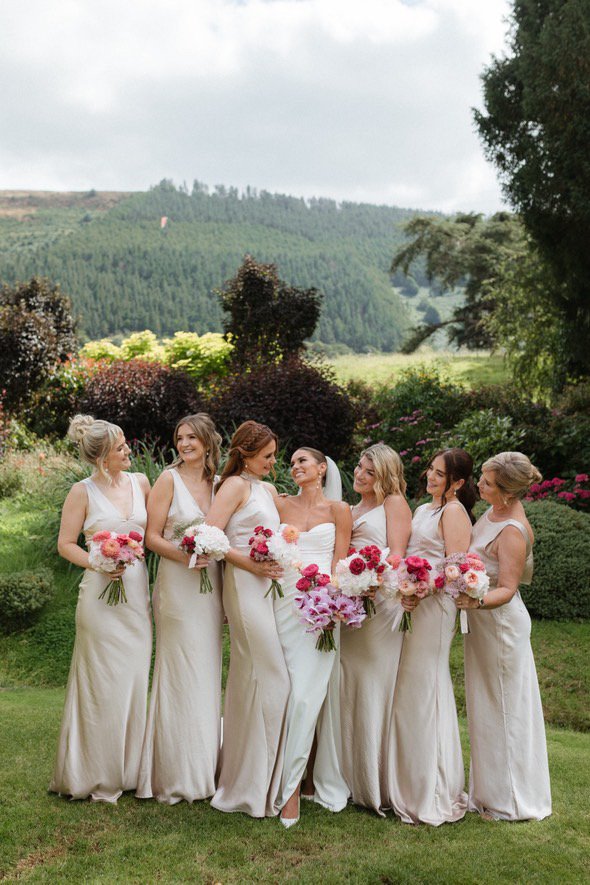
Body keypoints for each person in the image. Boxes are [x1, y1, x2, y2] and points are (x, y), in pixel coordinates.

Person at [49, 415, 152, 802]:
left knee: (132, 679)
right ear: (102, 457)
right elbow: (66, 543)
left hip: (136, 595)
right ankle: (92, 774)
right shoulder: (82, 491)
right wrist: (99, 562)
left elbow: (154, 533)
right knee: (100, 683)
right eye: (121, 447)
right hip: (99, 595)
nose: (128, 451)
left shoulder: (141, 482)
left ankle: (128, 772)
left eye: (126, 444)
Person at [456, 451, 551, 821]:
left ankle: (511, 801)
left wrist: (474, 601)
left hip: (500, 625)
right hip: (482, 623)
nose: (479, 483)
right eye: (482, 476)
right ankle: (487, 791)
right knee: (485, 706)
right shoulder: (492, 513)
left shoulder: (511, 530)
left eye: (487, 481)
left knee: (505, 710)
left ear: (508, 493)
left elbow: (508, 588)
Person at [137, 414, 224, 804]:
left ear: (207, 441)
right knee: (181, 667)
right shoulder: (167, 479)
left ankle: (205, 765)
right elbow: (151, 538)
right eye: (179, 437)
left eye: (192, 437)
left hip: (212, 587)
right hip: (176, 585)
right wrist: (186, 555)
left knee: (206, 667)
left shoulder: (220, 484)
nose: (185, 443)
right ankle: (173, 771)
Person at [205, 420, 290, 818]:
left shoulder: (266, 489)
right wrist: (250, 565)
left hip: (269, 588)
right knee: (270, 674)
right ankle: (248, 785)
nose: (274, 462)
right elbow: (210, 537)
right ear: (246, 454)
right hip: (243, 584)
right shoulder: (234, 485)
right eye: (268, 456)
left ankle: (260, 774)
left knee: (254, 677)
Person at [392, 448, 475, 825]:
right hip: (414, 604)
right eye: (430, 469)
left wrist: (422, 588)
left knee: (427, 687)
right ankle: (407, 779)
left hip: (435, 609)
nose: (430, 476)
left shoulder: (454, 512)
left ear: (457, 482)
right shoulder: (425, 509)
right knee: (409, 689)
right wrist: (406, 587)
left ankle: (434, 788)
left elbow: (457, 570)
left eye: (439, 474)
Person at [273, 447, 352, 828]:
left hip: (321, 608)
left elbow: (339, 563)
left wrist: (331, 600)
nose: (295, 466)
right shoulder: (279, 503)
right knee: (285, 691)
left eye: (303, 460)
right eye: (291, 463)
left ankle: (291, 791)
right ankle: (289, 777)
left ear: (322, 468)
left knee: (308, 695)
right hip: (281, 604)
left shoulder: (339, 511)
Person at [339, 443, 412, 815]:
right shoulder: (352, 509)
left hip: (381, 604)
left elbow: (397, 553)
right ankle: (348, 777)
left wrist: (375, 577)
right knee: (349, 681)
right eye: (358, 467)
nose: (359, 474)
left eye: (368, 471)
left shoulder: (393, 504)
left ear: (384, 475)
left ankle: (375, 781)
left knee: (373, 682)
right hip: (353, 604)